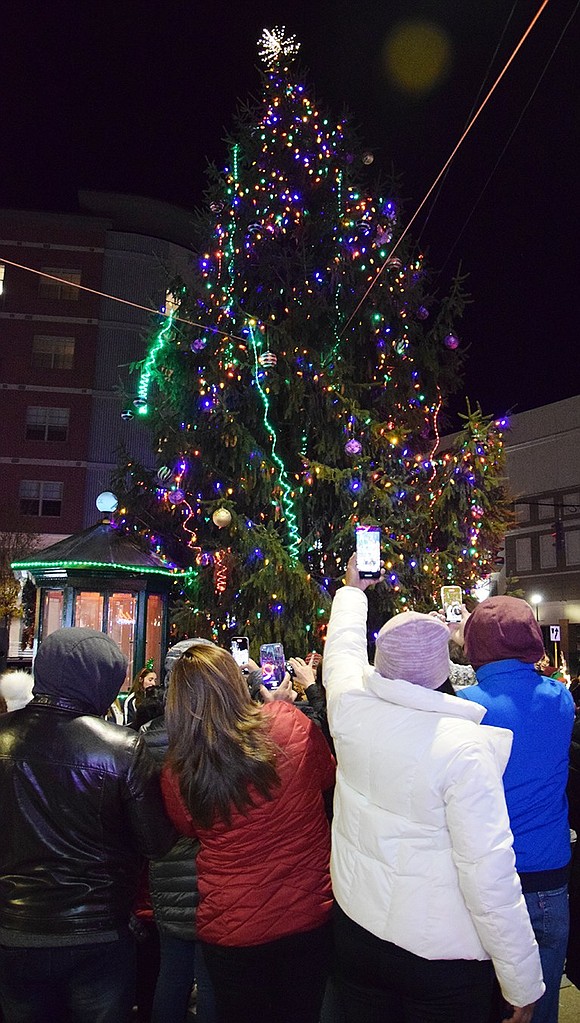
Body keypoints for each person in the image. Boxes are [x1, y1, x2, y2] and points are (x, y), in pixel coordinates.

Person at [323, 555, 544, 1023]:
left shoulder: (351, 711)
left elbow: (341, 656)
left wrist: (353, 590)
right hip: (438, 960)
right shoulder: (462, 747)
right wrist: (521, 979)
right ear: (443, 667)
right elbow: (489, 873)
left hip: (357, 933)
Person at [0, 627, 176, 1023]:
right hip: (97, 931)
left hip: (14, 928)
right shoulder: (122, 748)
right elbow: (156, 842)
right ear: (103, 680)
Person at [161, 642, 335, 1023]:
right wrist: (285, 707)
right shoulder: (289, 722)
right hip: (306, 911)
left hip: (230, 925)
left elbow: (186, 826)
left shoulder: (179, 766)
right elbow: (326, 775)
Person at [457, 596, 575, 1023]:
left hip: (488, 875)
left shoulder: (464, 707)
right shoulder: (558, 699)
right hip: (547, 870)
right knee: (540, 1004)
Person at [141, 637, 217, 1023]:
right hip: (214, 876)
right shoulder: (223, 736)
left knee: (171, 973)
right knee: (211, 981)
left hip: (168, 874)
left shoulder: (146, 739)